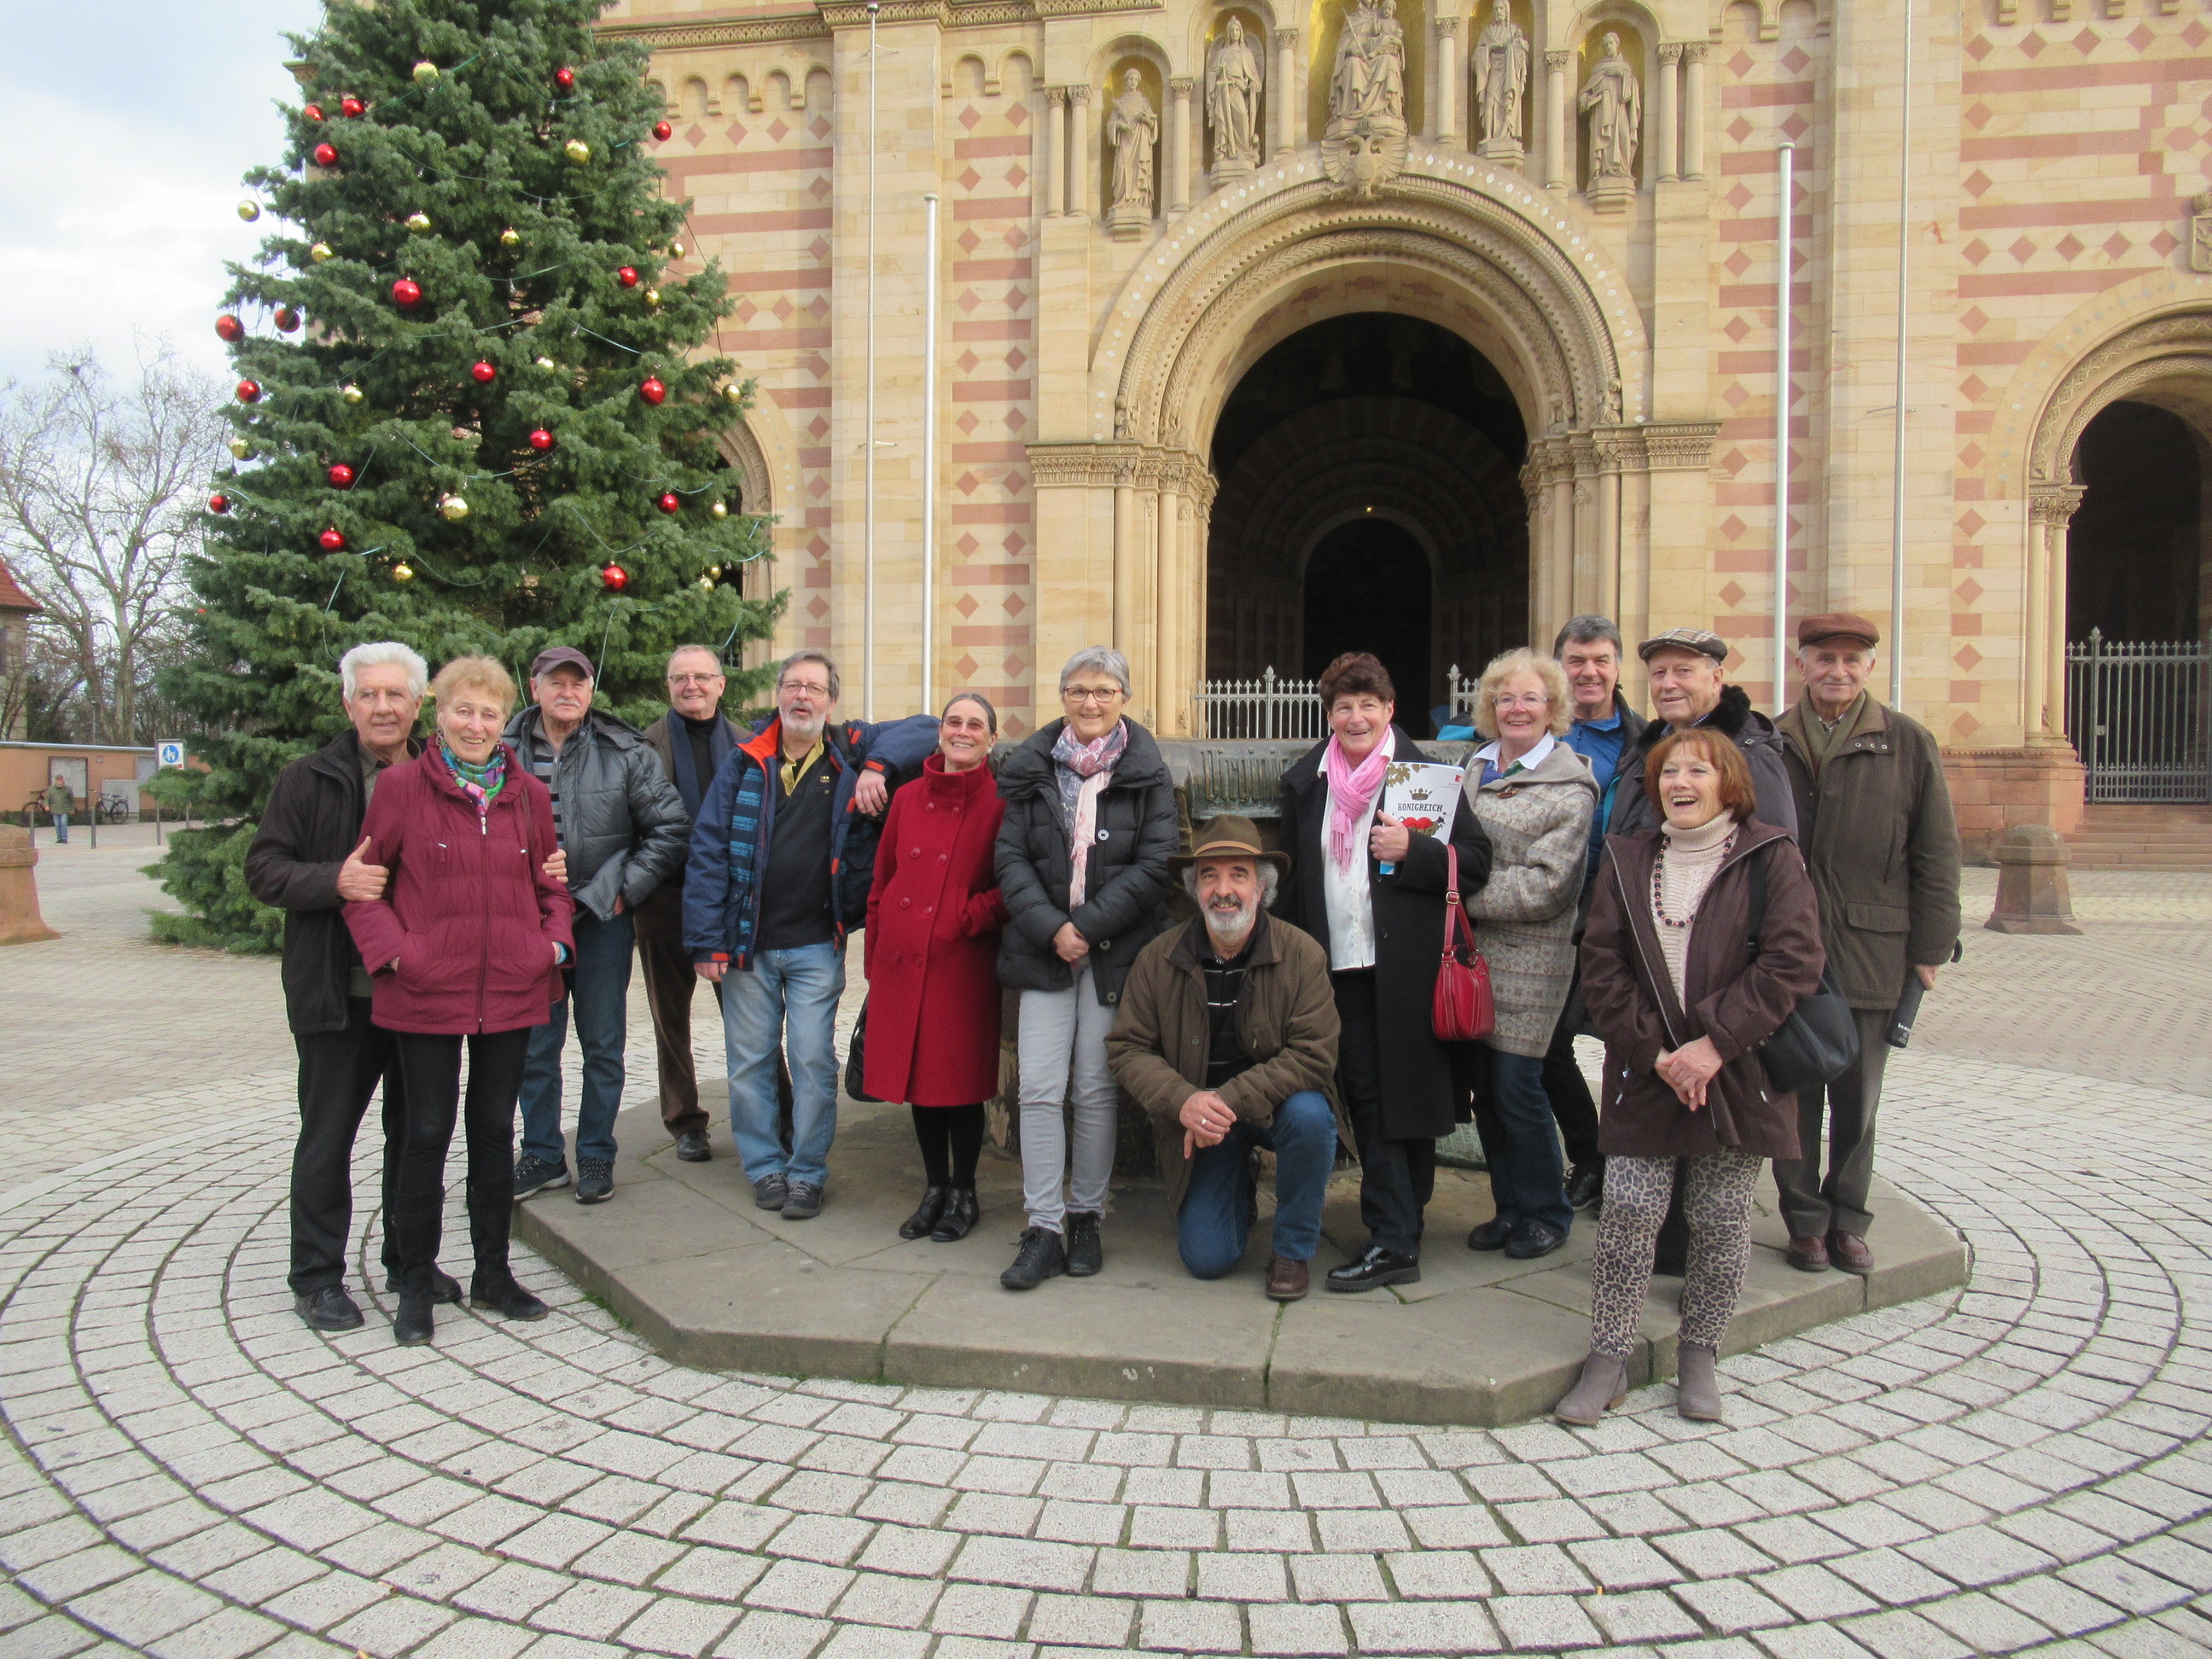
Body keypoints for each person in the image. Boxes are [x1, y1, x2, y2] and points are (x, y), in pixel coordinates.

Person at [1561, 727, 1825, 1425]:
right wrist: (1657, 1053)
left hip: (1736, 1070)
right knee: (1628, 1210)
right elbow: (1602, 963)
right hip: (1647, 1069)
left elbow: (1793, 961)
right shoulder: (1628, 858)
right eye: (1668, 772)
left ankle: (1700, 1352)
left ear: (1729, 782)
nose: (1680, 783)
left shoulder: (1771, 856)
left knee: (1719, 1216)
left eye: (1697, 772)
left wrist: (1715, 1045)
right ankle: (1608, 1355)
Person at [345, 655, 575, 1346]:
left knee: (494, 1133)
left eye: (489, 713)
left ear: (505, 720)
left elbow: (552, 887)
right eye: (463, 710)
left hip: (512, 987)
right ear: (438, 715)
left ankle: (492, 1274)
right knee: (424, 1134)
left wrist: (550, 948)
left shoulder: (527, 794)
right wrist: (398, 955)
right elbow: (364, 888)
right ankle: (415, 1284)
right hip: (424, 990)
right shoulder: (400, 788)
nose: (476, 725)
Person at [685, 650, 939, 1221]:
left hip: (816, 945)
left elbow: (928, 727)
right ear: (777, 694)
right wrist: (706, 941)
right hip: (747, 945)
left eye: (815, 688)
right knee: (749, 1064)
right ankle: (764, 1167)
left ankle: (806, 1173)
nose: (803, 697)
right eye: (793, 686)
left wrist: (878, 767)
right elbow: (707, 850)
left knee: (812, 1060)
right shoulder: (745, 761)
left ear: (832, 700)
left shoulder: (851, 750)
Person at [1276, 652, 1492, 1292]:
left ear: (1390, 710)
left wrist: (1416, 850)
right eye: (1343, 706)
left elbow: (1476, 860)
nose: (1356, 717)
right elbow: (1292, 880)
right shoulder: (1307, 782)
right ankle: (1400, 1229)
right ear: (1329, 715)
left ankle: (1396, 1236)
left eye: (1368, 705)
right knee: (1373, 1099)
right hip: (1336, 967)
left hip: (1407, 968)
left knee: (1403, 1099)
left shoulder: (1425, 778)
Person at [245, 641, 433, 1332]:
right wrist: (335, 880)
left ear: (418, 704)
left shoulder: (441, 775)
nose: (383, 707)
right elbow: (264, 870)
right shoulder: (308, 779)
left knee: (415, 1135)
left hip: (419, 995)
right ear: (347, 703)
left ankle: (406, 1261)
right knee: (327, 1138)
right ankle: (317, 1276)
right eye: (369, 695)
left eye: (395, 694)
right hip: (338, 992)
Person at [1772, 614, 1961, 1275]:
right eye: (1825, 658)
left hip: (1872, 947)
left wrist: (1931, 948)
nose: (1838, 671)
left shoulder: (1907, 742)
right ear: (1802, 663)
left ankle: (1848, 1219)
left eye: (1852, 660)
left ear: (1870, 667)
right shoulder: (1773, 740)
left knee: (1858, 1099)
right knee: (1793, 1091)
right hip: (1788, 950)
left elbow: (1936, 852)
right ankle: (1804, 1221)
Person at [993, 647, 1179, 1289]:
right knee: (1039, 1089)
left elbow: (1157, 863)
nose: (1090, 702)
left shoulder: (1148, 772)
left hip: (1113, 953)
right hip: (1043, 950)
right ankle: (1043, 1226)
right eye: (1078, 690)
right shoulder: (1033, 766)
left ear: (1124, 697)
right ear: (1063, 696)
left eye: (1104, 690)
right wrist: (1053, 929)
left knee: (1096, 1090)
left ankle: (1087, 1217)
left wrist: (1086, 928)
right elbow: (1010, 858)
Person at [1106, 816, 1348, 1301]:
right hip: (1205, 1120)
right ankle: (1240, 1177)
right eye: (1209, 876)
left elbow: (1314, 1054)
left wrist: (1226, 1100)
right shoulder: (1159, 958)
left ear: (1261, 887)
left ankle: (1292, 1250)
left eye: (1239, 874)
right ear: (1194, 889)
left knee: (1310, 1115)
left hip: (1274, 1107)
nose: (1223, 890)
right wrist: (1184, 1101)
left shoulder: (1303, 954)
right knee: (1207, 1260)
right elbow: (1127, 1047)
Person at [508, 648, 688, 1205]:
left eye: (577, 683)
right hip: (530, 922)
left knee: (603, 1044)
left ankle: (595, 1154)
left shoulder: (624, 751)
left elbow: (670, 827)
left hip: (600, 918)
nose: (567, 692)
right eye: (555, 682)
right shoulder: (500, 750)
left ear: (591, 691)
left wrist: (625, 890)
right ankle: (542, 1153)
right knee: (536, 1046)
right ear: (534, 687)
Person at [1458, 649, 1596, 1261]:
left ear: (1553, 708)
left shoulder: (1571, 786)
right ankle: (1509, 1207)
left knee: (1518, 1084)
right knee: (1486, 1089)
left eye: (1531, 698)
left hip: (1532, 958)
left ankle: (1547, 1210)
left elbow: (1549, 886)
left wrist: (1455, 892)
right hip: (1472, 954)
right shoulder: (1472, 766)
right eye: (1506, 698)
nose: (1517, 708)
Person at [865, 693, 1009, 1244]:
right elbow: (882, 881)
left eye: (975, 724)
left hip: (961, 962)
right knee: (918, 1084)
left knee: (958, 1083)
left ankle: (964, 1192)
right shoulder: (906, 798)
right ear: (940, 731)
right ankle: (933, 1189)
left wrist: (965, 916)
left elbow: (1015, 885)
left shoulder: (1002, 803)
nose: (962, 731)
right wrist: (875, 953)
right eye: (954, 722)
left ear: (991, 738)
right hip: (903, 960)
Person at [1544, 615, 1647, 1210]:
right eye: (1576, 660)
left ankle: (1633, 1163)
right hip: (1548, 913)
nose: (1589, 672)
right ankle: (1591, 1155)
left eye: (1601, 660)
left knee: (1625, 1041)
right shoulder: (1534, 732)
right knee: (1549, 1042)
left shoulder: (1645, 742)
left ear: (1617, 667)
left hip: (1620, 912)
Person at [636, 646, 743, 1163]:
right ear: (669, 686)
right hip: (664, 898)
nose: (691, 686)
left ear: (721, 684)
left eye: (702, 676)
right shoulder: (643, 746)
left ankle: (775, 1112)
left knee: (748, 1015)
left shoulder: (748, 743)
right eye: (680, 677)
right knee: (669, 1017)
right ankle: (685, 1121)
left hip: (731, 902)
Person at [44, 777, 73, 844]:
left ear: (63, 780)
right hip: (55, 809)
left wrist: (72, 808)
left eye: (61, 780)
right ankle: (59, 838)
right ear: (56, 781)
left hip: (64, 809)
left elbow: (72, 800)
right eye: (58, 780)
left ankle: (64, 838)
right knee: (57, 824)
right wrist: (47, 805)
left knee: (63, 823)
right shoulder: (51, 789)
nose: (60, 782)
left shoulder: (68, 789)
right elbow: (47, 798)